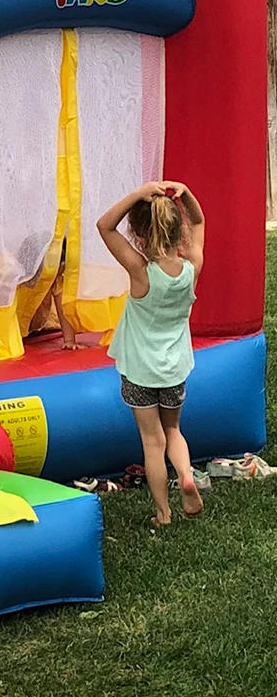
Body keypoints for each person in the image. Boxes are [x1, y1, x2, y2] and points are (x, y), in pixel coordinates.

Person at [97, 180, 206, 527]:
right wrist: (186, 193)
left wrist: (136, 194)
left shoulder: (141, 273)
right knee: (173, 432)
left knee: (152, 440)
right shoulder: (191, 268)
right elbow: (200, 222)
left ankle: (163, 513)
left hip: (140, 370)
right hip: (175, 369)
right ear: (179, 232)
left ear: (141, 237)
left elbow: (104, 226)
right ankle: (186, 475)